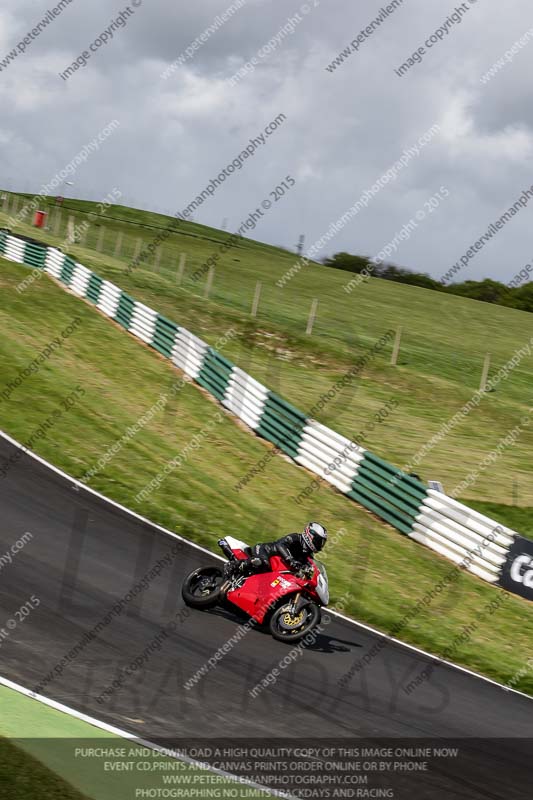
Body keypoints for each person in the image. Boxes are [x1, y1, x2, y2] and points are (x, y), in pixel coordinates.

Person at [224, 522, 327, 580]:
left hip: (276, 568)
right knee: (262, 563)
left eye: (322, 543)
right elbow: (280, 545)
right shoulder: (296, 538)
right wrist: (290, 559)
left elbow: (309, 565)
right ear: (311, 536)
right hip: (265, 551)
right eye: (319, 541)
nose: (320, 545)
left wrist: (309, 573)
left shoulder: (307, 554)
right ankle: (234, 565)